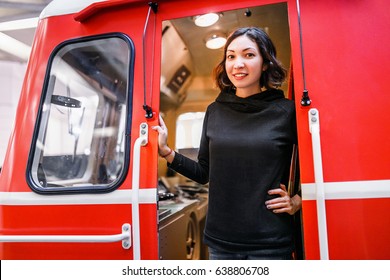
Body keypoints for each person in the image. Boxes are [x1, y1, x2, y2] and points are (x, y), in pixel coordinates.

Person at [153, 27, 301, 260]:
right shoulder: (215, 111)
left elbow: (320, 165)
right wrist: (166, 152)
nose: (237, 64)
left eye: (249, 55)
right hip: (222, 245)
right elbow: (204, 172)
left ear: (265, 63)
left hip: (270, 243)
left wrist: (298, 200)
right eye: (231, 56)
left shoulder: (285, 112)